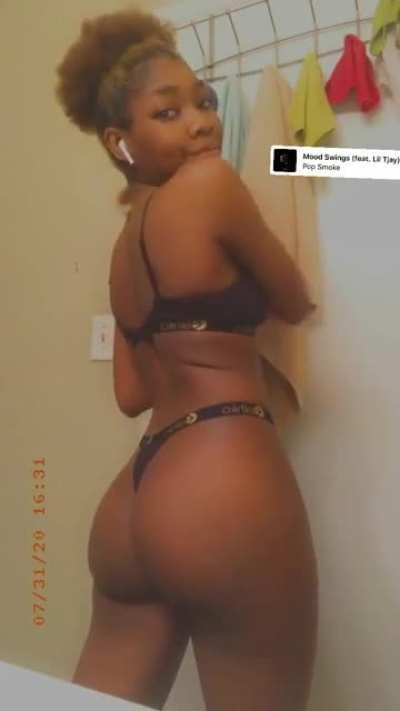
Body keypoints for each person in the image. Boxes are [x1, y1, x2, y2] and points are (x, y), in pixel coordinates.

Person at [55, 8, 319, 711]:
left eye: (203, 102)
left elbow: (131, 393)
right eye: (168, 112)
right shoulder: (211, 185)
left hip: (133, 501)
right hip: (222, 475)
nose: (202, 123)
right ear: (120, 142)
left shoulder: (124, 246)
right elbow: (294, 298)